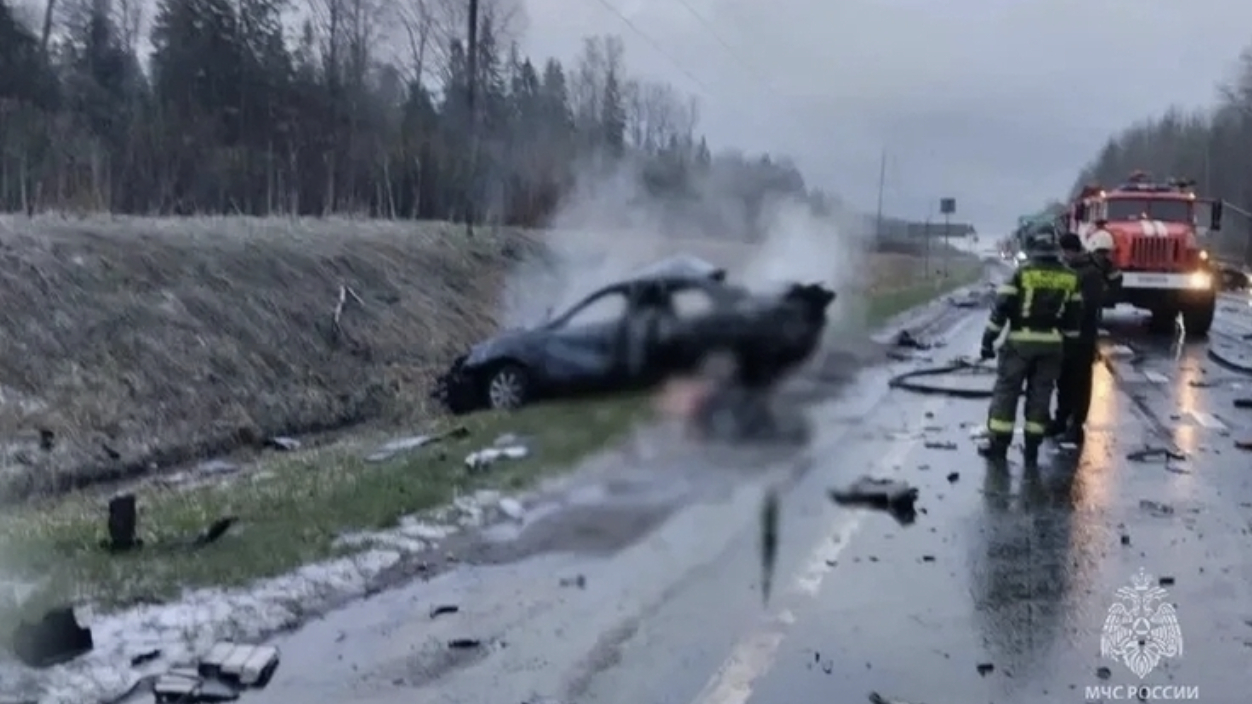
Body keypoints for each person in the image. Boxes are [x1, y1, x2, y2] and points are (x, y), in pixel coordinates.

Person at [978, 228, 1083, 464]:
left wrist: (988, 341)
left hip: (1020, 344)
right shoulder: (1070, 277)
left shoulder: (1022, 274)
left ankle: (999, 446)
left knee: (1007, 392)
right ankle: (1032, 448)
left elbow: (1001, 309)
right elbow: (1074, 319)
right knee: (1041, 395)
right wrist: (1070, 348)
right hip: (1052, 346)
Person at [1049, 230, 1117, 444]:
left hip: (1082, 337)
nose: (1062, 256)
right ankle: (1061, 421)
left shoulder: (1089, 272)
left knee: (1080, 382)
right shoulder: (1072, 269)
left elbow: (1089, 305)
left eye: (1064, 252)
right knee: (1064, 381)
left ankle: (1076, 425)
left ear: (1070, 250)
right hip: (1067, 337)